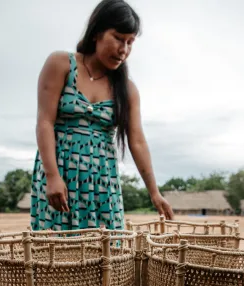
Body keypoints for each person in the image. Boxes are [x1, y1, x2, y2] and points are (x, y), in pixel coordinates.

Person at [30, 0, 173, 231]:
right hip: (60, 175)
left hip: (102, 180)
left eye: (130, 42)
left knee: (106, 254)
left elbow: (137, 141)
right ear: (97, 32)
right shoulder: (61, 64)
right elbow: (45, 121)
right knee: (56, 254)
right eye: (118, 38)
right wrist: (52, 175)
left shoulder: (126, 89)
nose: (123, 50)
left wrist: (154, 193)